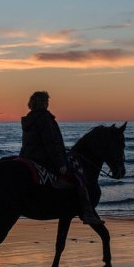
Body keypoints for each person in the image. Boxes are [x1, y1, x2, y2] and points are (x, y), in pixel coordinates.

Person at [19, 91, 103, 225]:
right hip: (43, 157)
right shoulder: (44, 118)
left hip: (29, 155)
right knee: (78, 176)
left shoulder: (29, 118)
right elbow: (50, 142)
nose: (48, 104)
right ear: (43, 102)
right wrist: (60, 163)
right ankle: (87, 212)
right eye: (46, 101)